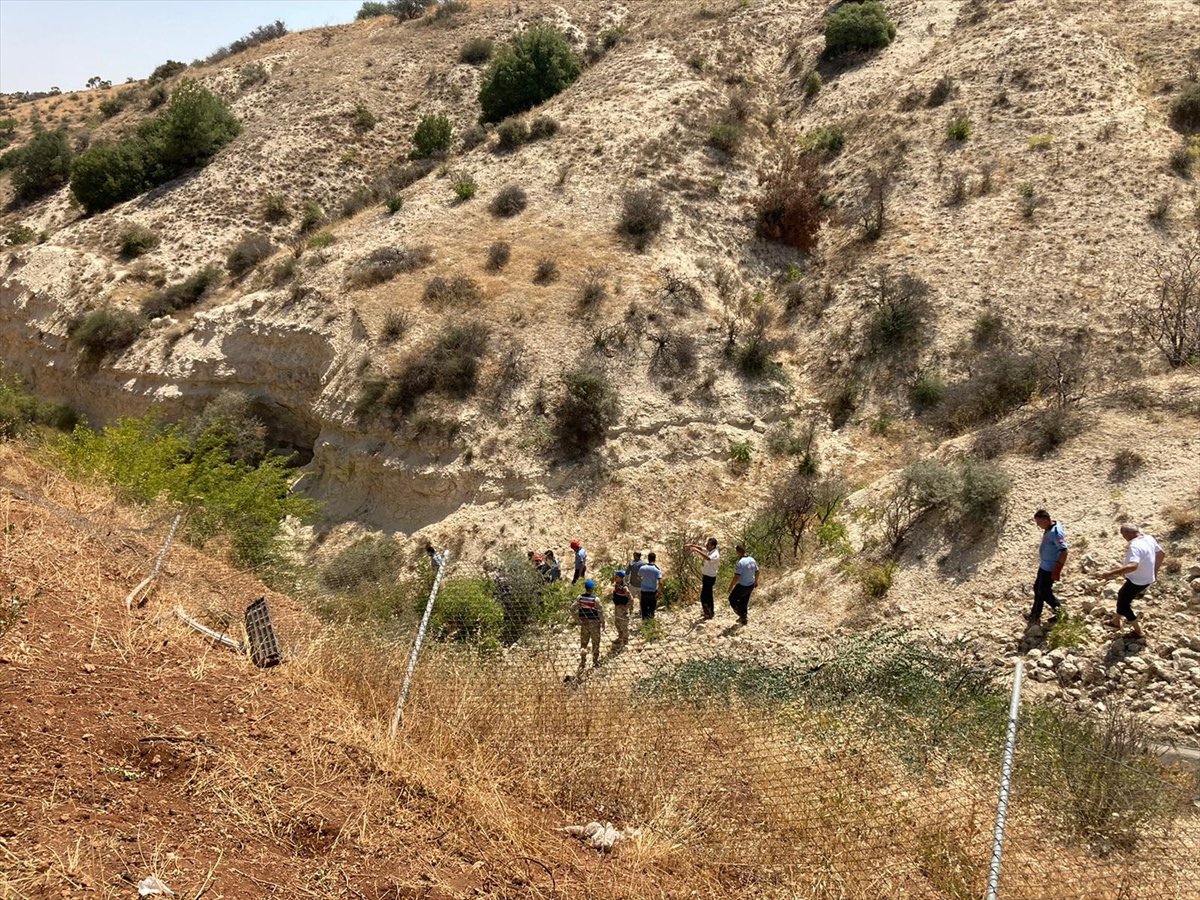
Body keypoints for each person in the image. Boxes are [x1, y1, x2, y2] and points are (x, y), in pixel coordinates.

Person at [1099, 523, 1163, 638]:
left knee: (1124, 605)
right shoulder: (1149, 538)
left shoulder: (1135, 546)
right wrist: (1154, 572)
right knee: (1122, 595)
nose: (1124, 537)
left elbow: (1133, 566)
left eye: (1123, 535)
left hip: (1137, 581)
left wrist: (1111, 573)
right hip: (1147, 578)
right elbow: (1161, 554)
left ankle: (1138, 631)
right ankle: (1115, 621)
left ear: (1128, 533)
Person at [1029, 509, 1068, 623]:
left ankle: (1061, 612)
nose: (1038, 525)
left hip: (1049, 567)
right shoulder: (1050, 527)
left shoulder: (1055, 533)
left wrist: (1057, 570)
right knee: (1038, 589)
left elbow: (1064, 551)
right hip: (1044, 565)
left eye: (1039, 522)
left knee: (1044, 592)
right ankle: (1035, 614)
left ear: (1046, 520)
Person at [571, 578, 604, 673]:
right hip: (594, 624)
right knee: (595, 642)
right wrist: (603, 623)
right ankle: (595, 661)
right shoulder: (596, 599)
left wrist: (577, 619)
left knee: (584, 643)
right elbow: (601, 612)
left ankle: (583, 661)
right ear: (592, 589)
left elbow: (572, 608)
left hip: (584, 623)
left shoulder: (580, 598)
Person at [688, 537, 720, 619]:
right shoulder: (710, 551)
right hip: (706, 576)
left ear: (713, 546)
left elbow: (708, 558)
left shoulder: (715, 554)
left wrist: (696, 550)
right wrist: (692, 545)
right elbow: (702, 548)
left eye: (708, 544)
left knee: (704, 596)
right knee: (708, 595)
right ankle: (710, 612)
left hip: (710, 577)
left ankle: (708, 613)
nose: (706, 546)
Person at [727, 544, 758, 626]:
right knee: (744, 601)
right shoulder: (752, 559)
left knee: (732, 599)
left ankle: (741, 615)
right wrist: (756, 581)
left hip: (743, 585)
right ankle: (744, 618)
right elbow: (757, 571)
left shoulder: (740, 562)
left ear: (738, 552)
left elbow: (736, 577)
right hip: (751, 584)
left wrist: (730, 587)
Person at [638, 552, 663, 620]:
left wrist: (643, 582)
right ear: (655, 559)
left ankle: (644, 625)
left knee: (644, 610)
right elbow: (660, 583)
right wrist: (659, 592)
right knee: (651, 610)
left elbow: (638, 577)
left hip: (644, 592)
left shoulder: (642, 568)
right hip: (652, 593)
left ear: (648, 559)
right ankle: (650, 625)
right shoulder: (657, 570)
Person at [611, 569, 631, 648]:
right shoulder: (617, 586)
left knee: (623, 624)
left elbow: (630, 598)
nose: (615, 578)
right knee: (617, 623)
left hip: (622, 608)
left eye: (617, 577)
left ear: (621, 578)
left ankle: (625, 641)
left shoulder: (624, 587)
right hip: (617, 607)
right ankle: (620, 637)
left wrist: (627, 608)